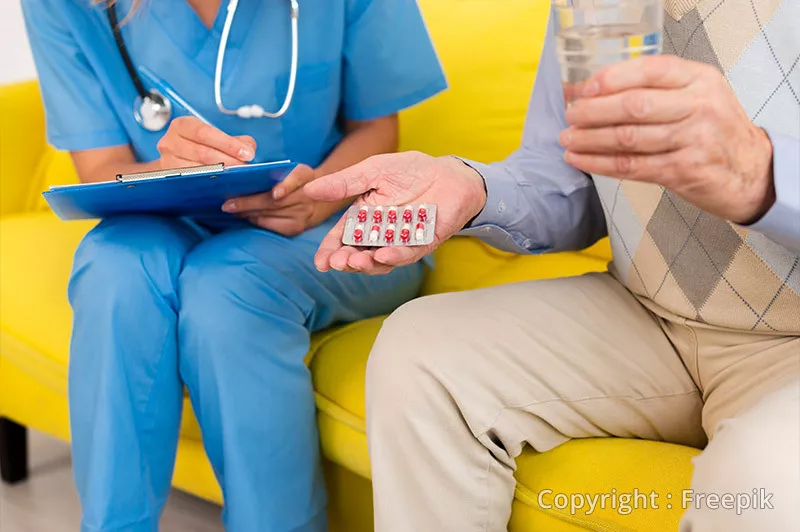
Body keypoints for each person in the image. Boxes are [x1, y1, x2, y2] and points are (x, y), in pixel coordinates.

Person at [305, 0, 800, 530]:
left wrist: (764, 175)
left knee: (763, 472)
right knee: (416, 353)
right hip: (648, 314)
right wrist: (472, 188)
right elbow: (571, 179)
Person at [21, 0, 446, 530]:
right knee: (111, 270)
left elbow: (378, 130)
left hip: (322, 215)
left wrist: (320, 192)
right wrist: (161, 168)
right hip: (162, 215)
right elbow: (101, 168)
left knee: (227, 289)